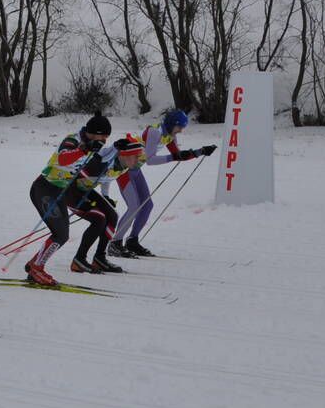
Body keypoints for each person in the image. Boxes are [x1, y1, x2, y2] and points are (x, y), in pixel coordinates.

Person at [21, 114, 121, 287]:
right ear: (95, 133)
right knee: (60, 234)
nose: (105, 140)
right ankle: (37, 269)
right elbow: (63, 158)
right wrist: (86, 149)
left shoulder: (94, 145)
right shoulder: (72, 140)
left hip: (59, 191)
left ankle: (34, 264)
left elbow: (100, 161)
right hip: (44, 188)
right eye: (104, 135)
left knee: (62, 235)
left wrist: (116, 149)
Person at [108, 109, 217, 259]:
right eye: (180, 127)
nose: (181, 131)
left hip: (135, 169)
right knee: (134, 206)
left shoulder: (169, 135)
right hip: (124, 169)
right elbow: (150, 160)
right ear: (173, 124)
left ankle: (132, 241)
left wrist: (200, 151)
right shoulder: (155, 132)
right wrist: (174, 157)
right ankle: (115, 243)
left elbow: (177, 155)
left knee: (147, 205)